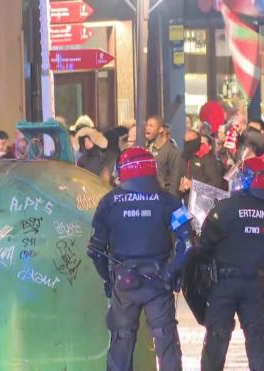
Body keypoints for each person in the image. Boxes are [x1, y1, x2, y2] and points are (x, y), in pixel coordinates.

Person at [87, 147, 193, 371]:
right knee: (166, 341)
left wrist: (108, 280)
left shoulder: (109, 202)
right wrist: (170, 272)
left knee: (121, 341)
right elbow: (188, 243)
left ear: (121, 171)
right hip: (159, 281)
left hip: (123, 282)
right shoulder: (169, 201)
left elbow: (96, 250)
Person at [199, 157, 264, 371]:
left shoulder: (224, 209)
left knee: (217, 336)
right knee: (257, 335)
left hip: (224, 283)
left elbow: (204, 247)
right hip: (256, 284)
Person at [171, 130, 225, 201]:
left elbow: (216, 185)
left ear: (197, 141)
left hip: (204, 205)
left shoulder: (208, 159)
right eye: (185, 140)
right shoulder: (182, 158)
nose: (188, 142)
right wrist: (180, 189)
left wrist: (194, 185)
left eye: (191, 140)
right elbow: (175, 183)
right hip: (185, 204)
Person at [145, 115, 178, 191]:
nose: (147, 128)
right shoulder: (146, 147)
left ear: (160, 129)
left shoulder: (171, 150)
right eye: (147, 125)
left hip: (162, 195)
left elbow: (175, 178)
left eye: (151, 126)